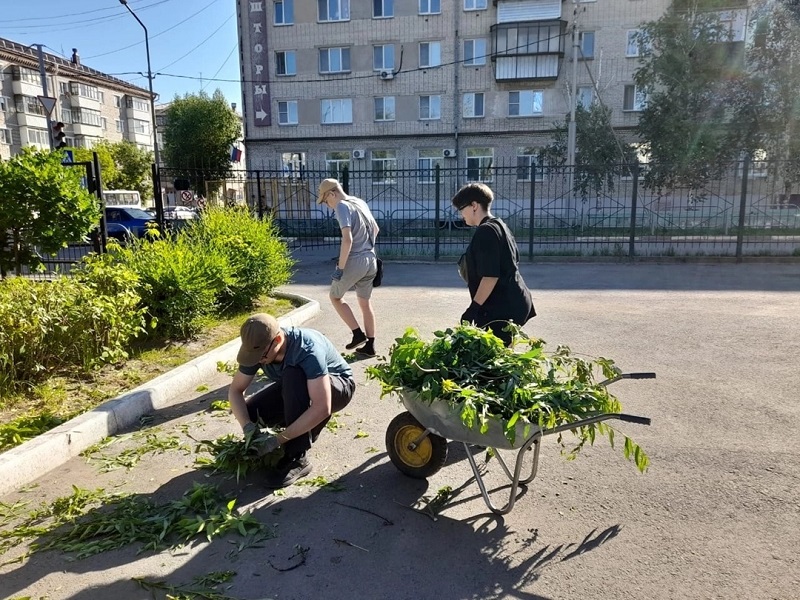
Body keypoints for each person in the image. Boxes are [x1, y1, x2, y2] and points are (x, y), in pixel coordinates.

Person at [227, 313, 356, 488]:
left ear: (278, 339)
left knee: (293, 373)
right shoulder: (258, 348)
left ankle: (297, 457)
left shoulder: (306, 349)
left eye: (261, 356)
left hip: (337, 388)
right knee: (252, 413)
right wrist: (247, 427)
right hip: (300, 386)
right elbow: (235, 391)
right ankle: (303, 427)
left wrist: (278, 440)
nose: (258, 360)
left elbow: (321, 407)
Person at [452, 182, 536, 346]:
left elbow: (490, 276)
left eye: (462, 208)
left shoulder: (486, 231)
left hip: (502, 308)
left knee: (493, 360)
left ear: (474, 206)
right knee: (502, 356)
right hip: (514, 302)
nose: (461, 214)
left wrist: (473, 309)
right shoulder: (499, 225)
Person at [317, 178, 380, 357]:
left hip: (355, 261)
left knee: (335, 297)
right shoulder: (359, 202)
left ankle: (357, 334)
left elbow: (348, 239)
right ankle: (370, 345)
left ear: (332, 193)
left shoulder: (342, 206)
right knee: (365, 302)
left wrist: (340, 268)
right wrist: (368, 249)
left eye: (326, 201)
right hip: (371, 259)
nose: (328, 205)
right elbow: (376, 229)